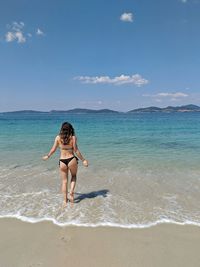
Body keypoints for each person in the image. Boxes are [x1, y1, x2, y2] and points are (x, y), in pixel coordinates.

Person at [42, 122, 88, 207]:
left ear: (62, 129)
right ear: (71, 129)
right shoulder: (73, 138)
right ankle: (71, 193)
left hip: (62, 161)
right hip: (71, 160)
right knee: (73, 176)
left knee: (64, 181)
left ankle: (64, 201)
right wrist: (83, 160)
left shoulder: (58, 138)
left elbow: (53, 149)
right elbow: (76, 150)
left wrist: (47, 156)